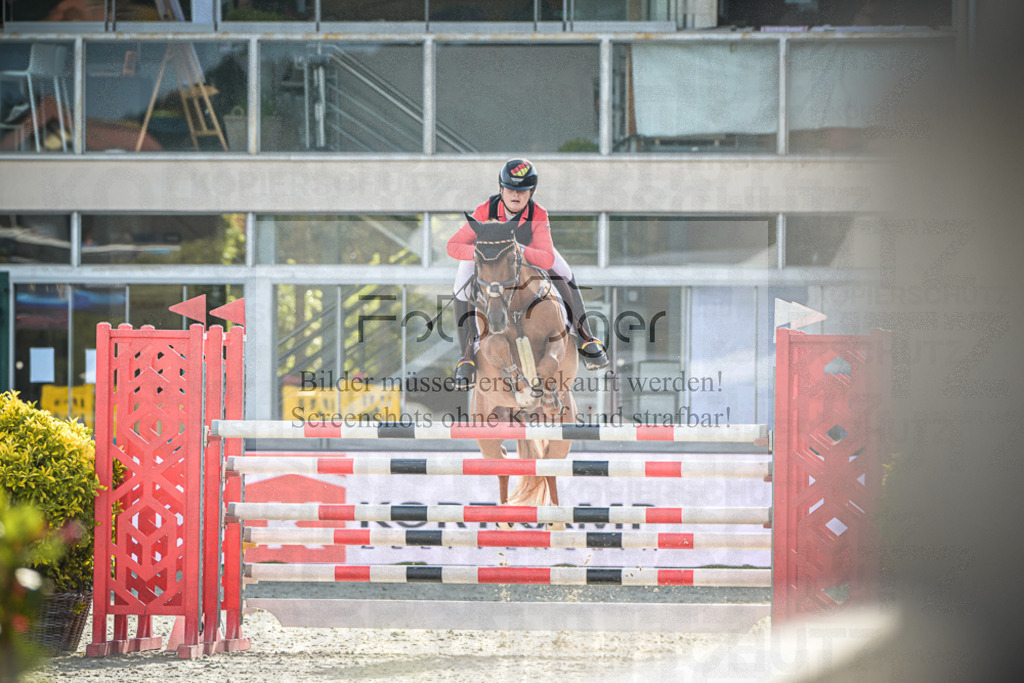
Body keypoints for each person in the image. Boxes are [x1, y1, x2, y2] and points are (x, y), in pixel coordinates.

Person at [446, 158, 609, 388]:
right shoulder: (485, 210)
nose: (515, 196)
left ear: (530, 193)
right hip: (487, 259)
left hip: (527, 253)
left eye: (522, 191)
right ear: (501, 189)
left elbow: (546, 257)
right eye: (510, 189)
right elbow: (452, 246)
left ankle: (585, 337)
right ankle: (466, 356)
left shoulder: (538, 213)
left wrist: (518, 250)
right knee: (460, 281)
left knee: (564, 271)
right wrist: (481, 251)